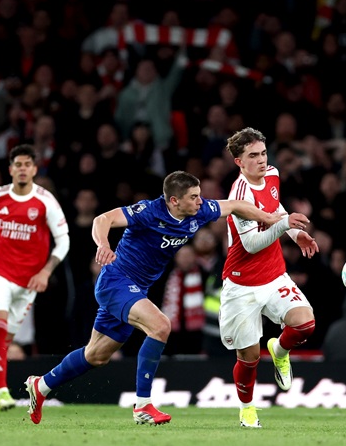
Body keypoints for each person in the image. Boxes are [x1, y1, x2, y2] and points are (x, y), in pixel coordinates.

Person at [24, 170, 308, 426]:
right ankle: (143, 406)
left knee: (95, 355)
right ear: (174, 200)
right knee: (160, 325)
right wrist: (103, 245)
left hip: (136, 289)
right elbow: (103, 219)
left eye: (200, 196)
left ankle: (42, 386)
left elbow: (234, 206)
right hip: (116, 282)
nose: (201, 201)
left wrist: (272, 218)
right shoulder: (148, 211)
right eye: (194, 197)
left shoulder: (199, 211)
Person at [221, 127, 320, 428]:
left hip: (274, 275)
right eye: (253, 156)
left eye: (263, 153)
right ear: (239, 162)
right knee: (249, 356)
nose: (261, 160)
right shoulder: (239, 196)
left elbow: (275, 208)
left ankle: (279, 349)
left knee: (306, 323)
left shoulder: (273, 174)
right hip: (242, 283)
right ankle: (248, 409)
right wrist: (284, 225)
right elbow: (250, 244)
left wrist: (295, 232)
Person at [0, 144, 70, 411]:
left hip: (28, 281)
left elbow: (63, 241)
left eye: (27, 164)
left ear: (34, 169)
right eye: (18, 164)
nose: (22, 169)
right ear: (10, 169)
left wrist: (45, 271)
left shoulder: (46, 201)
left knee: (4, 341)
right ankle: (2, 392)